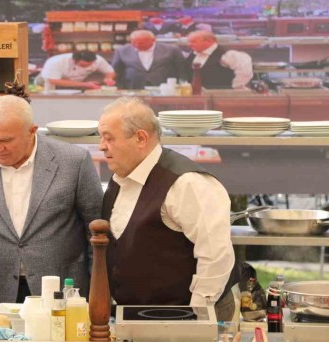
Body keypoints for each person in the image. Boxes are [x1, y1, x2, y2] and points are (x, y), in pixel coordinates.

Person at [0, 95, 103, 314]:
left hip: (60, 289)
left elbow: (97, 231)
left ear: (32, 131)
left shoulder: (74, 161)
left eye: (6, 140)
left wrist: (99, 289)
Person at [98, 97, 236, 322]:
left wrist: (197, 317)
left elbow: (215, 257)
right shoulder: (120, 178)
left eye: (109, 138)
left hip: (186, 317)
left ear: (141, 138)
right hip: (137, 317)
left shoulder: (187, 183)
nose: (102, 146)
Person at [111, 30, 187, 89]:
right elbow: (115, 71)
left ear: (153, 40)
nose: (136, 45)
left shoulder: (172, 50)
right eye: (133, 42)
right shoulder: (122, 50)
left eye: (141, 43)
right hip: (133, 88)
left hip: (164, 89)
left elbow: (182, 70)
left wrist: (182, 85)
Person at [186, 30, 253, 90]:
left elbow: (245, 73)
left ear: (209, 41)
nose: (189, 45)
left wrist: (235, 89)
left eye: (193, 42)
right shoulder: (192, 55)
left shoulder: (229, 55)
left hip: (222, 96)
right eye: (189, 42)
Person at [37, 51, 115, 90]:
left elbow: (110, 72)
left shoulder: (98, 60)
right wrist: (85, 84)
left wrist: (109, 79)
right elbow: (53, 80)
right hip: (48, 84)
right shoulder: (56, 61)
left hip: (78, 84)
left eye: (90, 65)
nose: (87, 67)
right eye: (83, 65)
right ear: (74, 61)